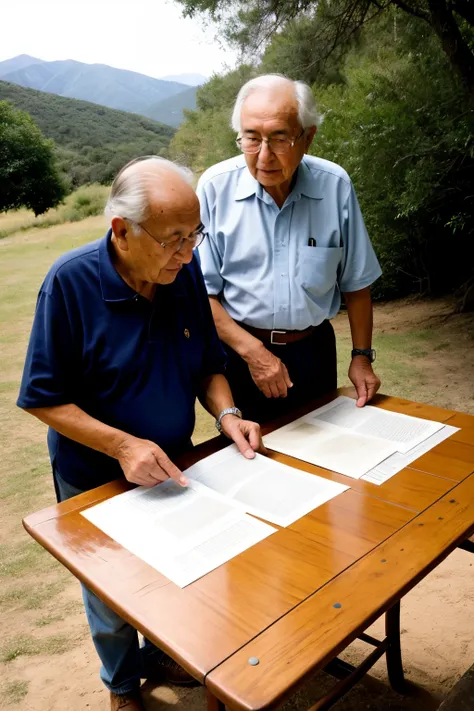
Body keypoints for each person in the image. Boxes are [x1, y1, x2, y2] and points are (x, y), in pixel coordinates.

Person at [17, 156, 263, 711]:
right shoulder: (70, 282)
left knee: (177, 566)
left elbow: (207, 363)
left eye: (194, 235)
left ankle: (163, 650)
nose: (187, 252)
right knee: (108, 586)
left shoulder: (183, 272)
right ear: (121, 231)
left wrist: (227, 415)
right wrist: (123, 445)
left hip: (175, 463)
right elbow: (43, 397)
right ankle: (123, 684)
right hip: (94, 471)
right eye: (173, 238)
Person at [197, 74, 382, 423]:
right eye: (251, 139)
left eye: (279, 139)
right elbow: (202, 295)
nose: (263, 156)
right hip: (241, 353)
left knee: (326, 459)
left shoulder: (335, 187)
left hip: (314, 351)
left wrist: (361, 357)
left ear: (307, 137)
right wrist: (255, 354)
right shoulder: (214, 188)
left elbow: (357, 284)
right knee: (252, 461)